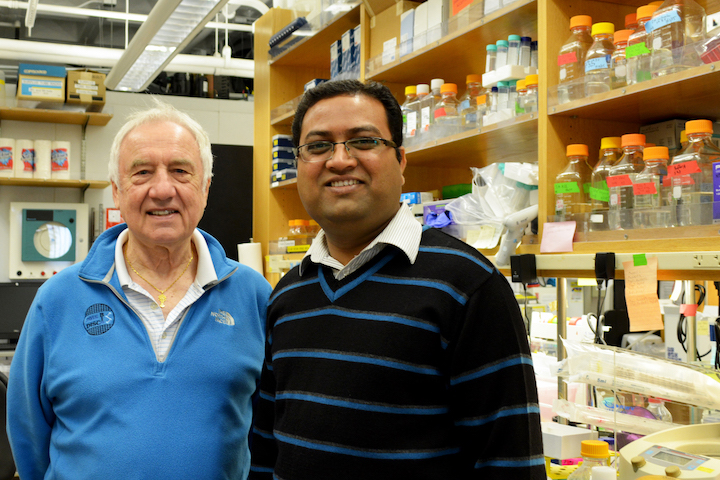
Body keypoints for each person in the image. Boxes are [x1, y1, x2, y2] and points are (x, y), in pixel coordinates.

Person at [249, 79, 545, 479]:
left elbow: (510, 463)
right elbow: (266, 449)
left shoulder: (467, 285)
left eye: (364, 141)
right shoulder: (288, 295)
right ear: (300, 164)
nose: (339, 160)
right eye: (318, 146)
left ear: (401, 161)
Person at [7, 99, 272, 480]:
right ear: (117, 191)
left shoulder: (252, 295)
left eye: (180, 171)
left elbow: (268, 427)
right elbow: (28, 434)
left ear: (206, 187)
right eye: (142, 172)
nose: (162, 189)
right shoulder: (58, 299)